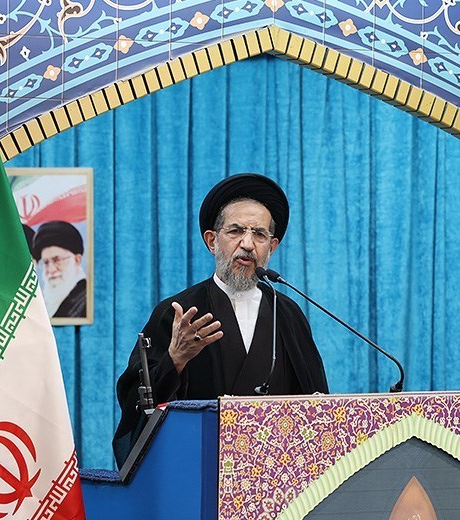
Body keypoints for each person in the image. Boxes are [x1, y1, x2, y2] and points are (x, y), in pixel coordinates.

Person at [112, 173, 329, 467]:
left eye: (259, 235)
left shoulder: (288, 313)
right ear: (212, 241)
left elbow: (316, 403)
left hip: (276, 470)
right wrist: (174, 360)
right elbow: (135, 403)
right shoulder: (178, 312)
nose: (248, 244)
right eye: (236, 231)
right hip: (200, 467)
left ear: (272, 246)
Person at [32, 220, 88, 319]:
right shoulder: (45, 303)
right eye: (46, 262)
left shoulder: (87, 301)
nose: (51, 269)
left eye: (57, 260)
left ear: (77, 260)